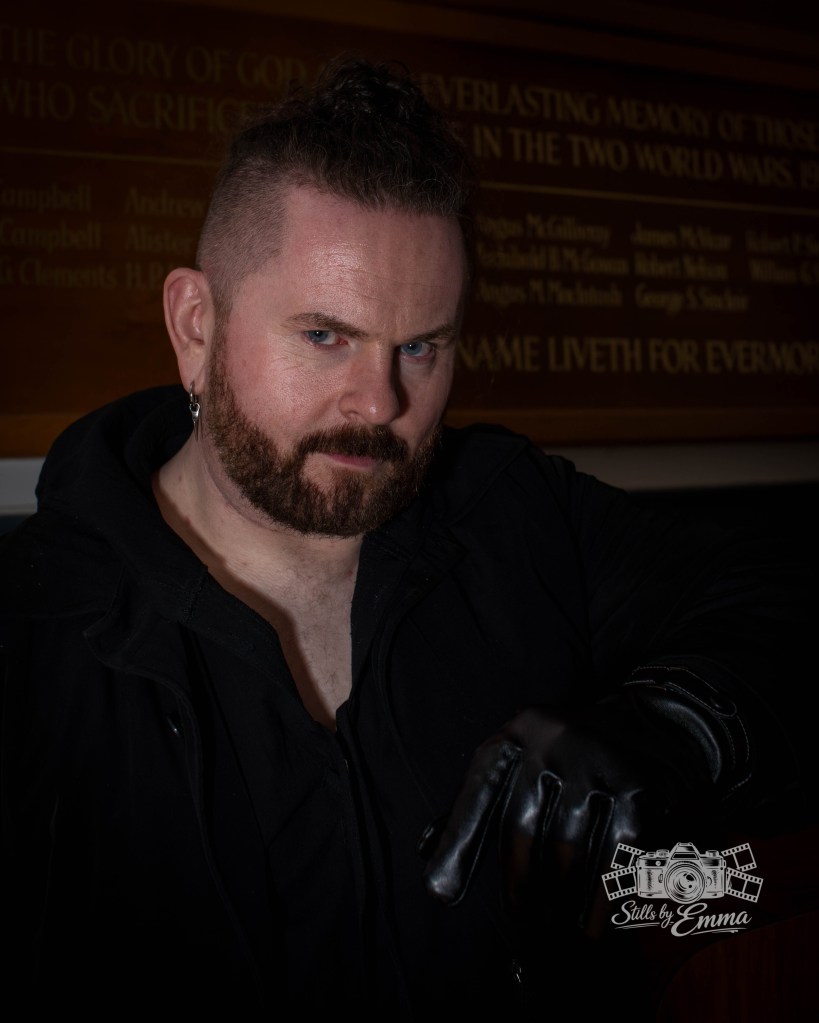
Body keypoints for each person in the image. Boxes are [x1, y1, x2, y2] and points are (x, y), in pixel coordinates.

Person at [0, 55, 813, 1019]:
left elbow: (786, 597)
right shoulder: (31, 631)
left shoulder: (514, 514)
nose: (380, 402)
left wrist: (678, 723)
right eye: (325, 337)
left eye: (420, 346)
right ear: (195, 325)